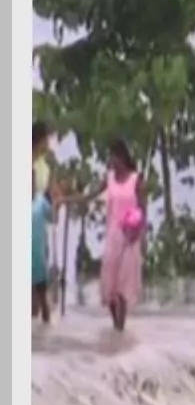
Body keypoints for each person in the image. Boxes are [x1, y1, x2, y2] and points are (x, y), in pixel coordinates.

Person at [70, 139, 144, 331]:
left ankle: (121, 326)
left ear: (122, 157)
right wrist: (69, 199)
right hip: (112, 236)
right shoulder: (109, 178)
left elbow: (143, 209)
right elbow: (91, 195)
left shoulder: (136, 179)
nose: (112, 161)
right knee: (109, 284)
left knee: (123, 284)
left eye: (114, 157)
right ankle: (115, 325)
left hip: (130, 237)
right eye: (110, 157)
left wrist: (139, 232)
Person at [32, 189, 54, 324]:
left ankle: (45, 329)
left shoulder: (41, 201)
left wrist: (54, 203)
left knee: (42, 295)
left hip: (38, 254)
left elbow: (53, 218)